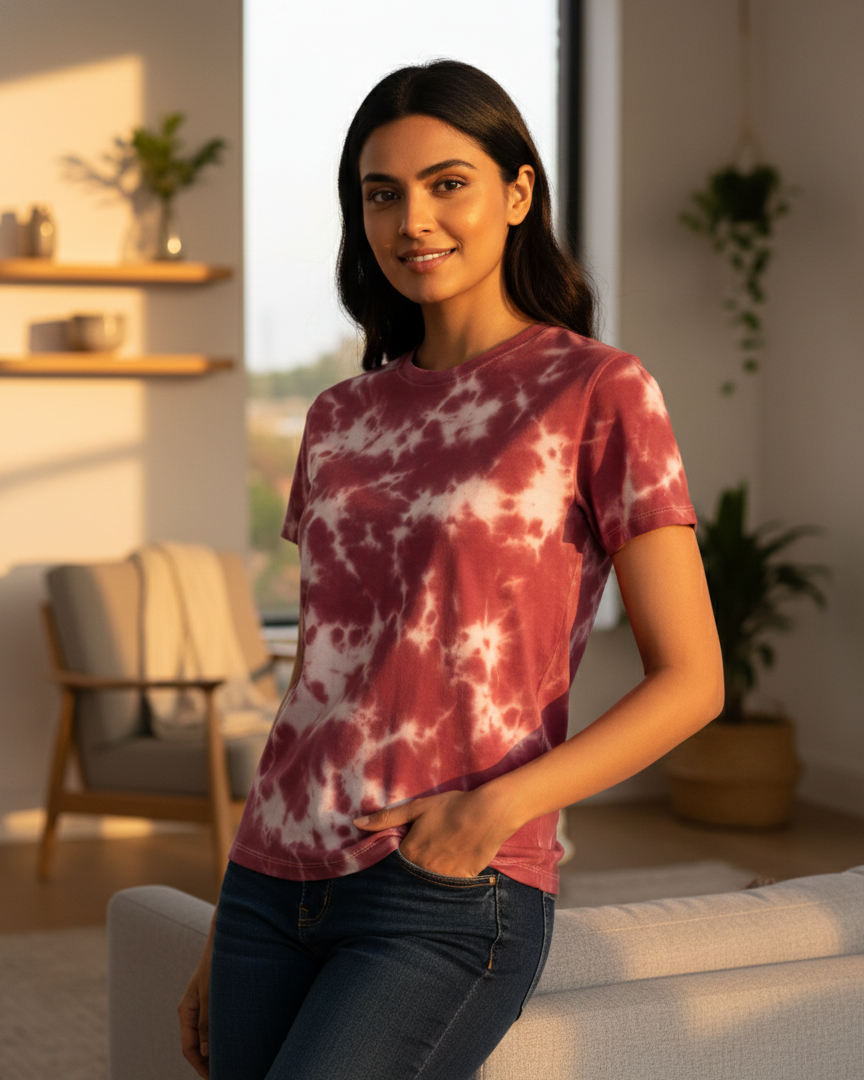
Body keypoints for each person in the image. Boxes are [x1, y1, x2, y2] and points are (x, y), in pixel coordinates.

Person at [178, 59, 723, 1080]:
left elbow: (694, 680)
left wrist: (494, 811)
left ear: (517, 194)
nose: (411, 219)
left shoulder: (598, 391)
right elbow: (321, 679)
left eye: (447, 183)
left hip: (443, 883)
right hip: (270, 876)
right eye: (380, 194)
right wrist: (226, 910)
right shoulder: (338, 417)